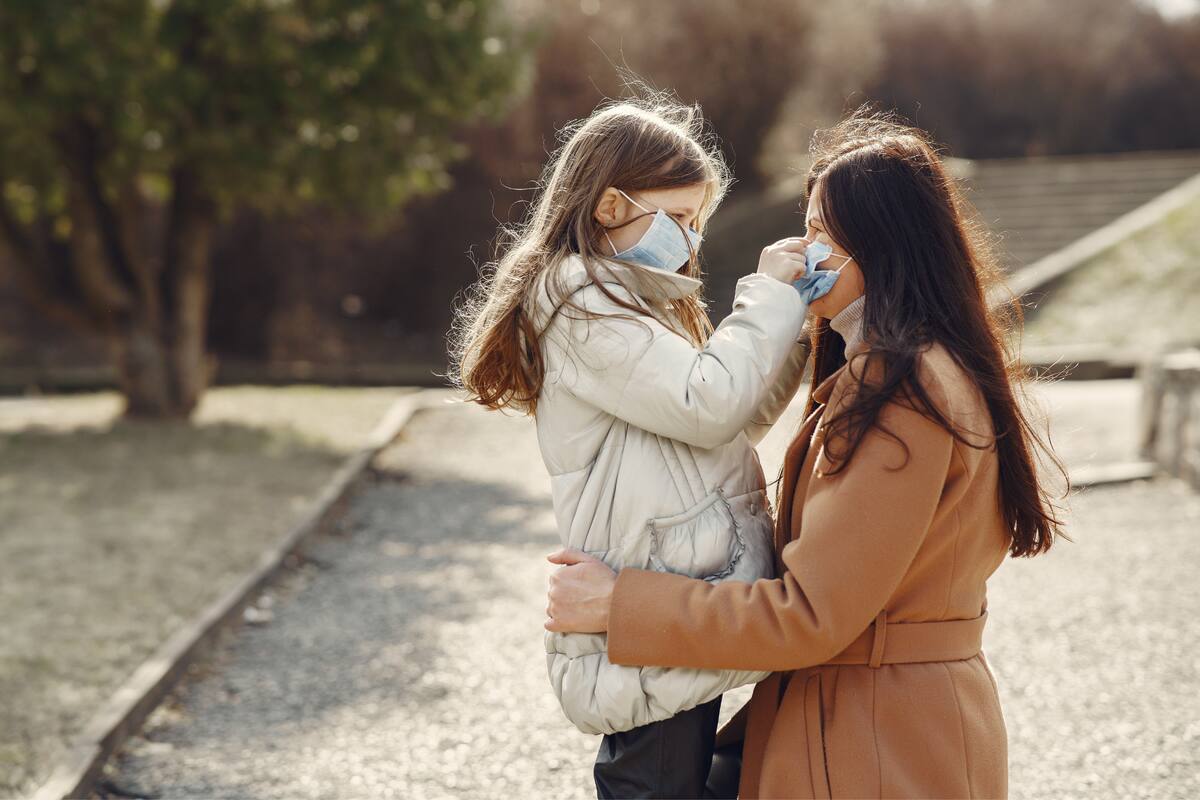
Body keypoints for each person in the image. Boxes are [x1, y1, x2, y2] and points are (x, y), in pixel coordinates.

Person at [544, 108, 1069, 799]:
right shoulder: (913, 368)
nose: (804, 250)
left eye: (821, 232)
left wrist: (621, 604)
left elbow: (808, 614)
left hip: (874, 743)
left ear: (877, 244)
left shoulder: (903, 388)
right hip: (882, 726)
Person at [450, 95, 841, 798]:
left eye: (697, 223)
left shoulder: (634, 300)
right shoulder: (578, 300)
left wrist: (803, 331)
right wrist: (770, 296)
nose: (690, 240)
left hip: (677, 589)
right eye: (678, 219)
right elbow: (708, 403)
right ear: (607, 206)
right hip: (647, 604)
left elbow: (728, 421)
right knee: (653, 781)